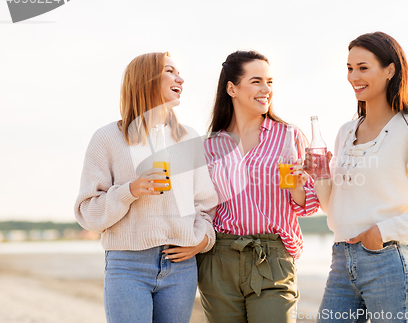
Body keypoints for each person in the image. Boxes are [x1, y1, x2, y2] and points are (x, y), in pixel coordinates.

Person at [307, 32, 408, 322]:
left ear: (390, 70)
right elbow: (333, 207)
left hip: (388, 262)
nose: (353, 76)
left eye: (363, 67)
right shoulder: (345, 132)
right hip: (341, 260)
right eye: (349, 68)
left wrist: (379, 234)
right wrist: (318, 174)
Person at [74, 52, 218, 323]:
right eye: (170, 71)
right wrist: (131, 190)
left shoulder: (189, 138)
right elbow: (87, 213)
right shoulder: (107, 138)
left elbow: (205, 205)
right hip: (128, 265)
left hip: (180, 266)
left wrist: (201, 240)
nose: (181, 78)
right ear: (146, 79)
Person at [197, 50, 320, 323]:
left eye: (270, 81)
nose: (266, 89)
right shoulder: (210, 145)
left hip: (273, 257)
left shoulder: (287, 136)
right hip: (219, 259)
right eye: (256, 81)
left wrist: (297, 184)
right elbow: (204, 207)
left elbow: (307, 204)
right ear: (232, 88)